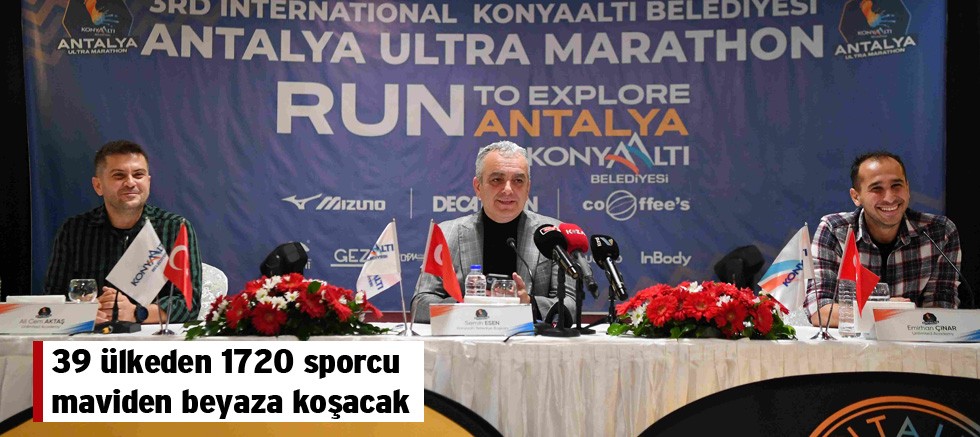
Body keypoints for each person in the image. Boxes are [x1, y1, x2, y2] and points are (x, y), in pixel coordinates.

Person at [413, 141, 576, 323]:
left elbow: (571, 306)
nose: (508, 189)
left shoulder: (554, 235)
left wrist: (529, 304)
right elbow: (420, 305)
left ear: (528, 188)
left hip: (528, 338)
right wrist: (466, 305)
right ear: (478, 187)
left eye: (518, 181)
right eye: (497, 180)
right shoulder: (446, 234)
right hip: (467, 337)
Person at [44, 140, 202, 324]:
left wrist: (136, 313)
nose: (130, 183)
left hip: (154, 338)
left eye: (138, 175)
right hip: (90, 335)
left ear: (148, 181)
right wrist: (84, 311)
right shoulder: (73, 230)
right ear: (98, 186)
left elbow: (189, 304)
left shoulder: (176, 228)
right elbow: (52, 299)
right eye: (119, 176)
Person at [805, 151, 961, 327]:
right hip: (853, 342)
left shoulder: (940, 232)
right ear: (856, 196)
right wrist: (883, 310)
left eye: (896, 185)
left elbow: (942, 313)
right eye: (876, 189)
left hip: (914, 341)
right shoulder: (835, 230)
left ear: (908, 188)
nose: (889, 198)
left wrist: (871, 314)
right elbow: (820, 312)